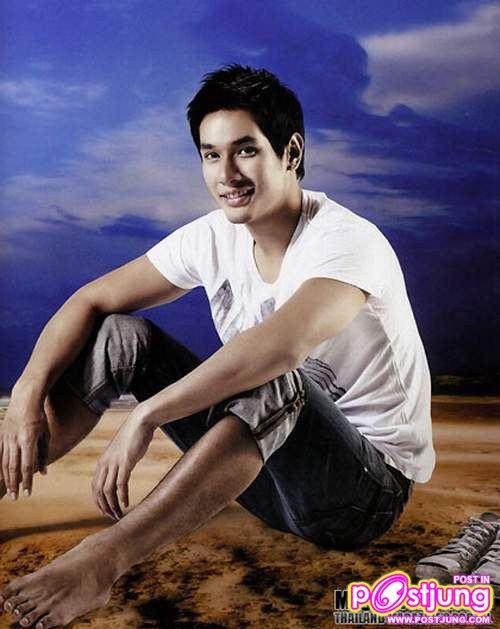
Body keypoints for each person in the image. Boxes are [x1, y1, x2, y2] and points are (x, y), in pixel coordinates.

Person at [0, 64, 435, 628]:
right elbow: (91, 299)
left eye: (246, 150)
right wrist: (26, 394)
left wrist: (147, 415)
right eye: (211, 155)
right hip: (261, 479)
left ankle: (102, 561)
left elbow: (281, 349)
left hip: (360, 494)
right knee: (121, 335)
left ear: (291, 152)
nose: (227, 174)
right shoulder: (213, 235)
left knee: (276, 376)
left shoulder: (347, 240)